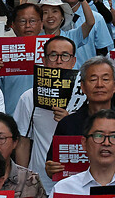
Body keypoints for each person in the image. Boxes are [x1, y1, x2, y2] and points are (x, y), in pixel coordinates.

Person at [11, 35, 80, 186]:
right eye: (53, 55)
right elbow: (23, 141)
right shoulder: (29, 97)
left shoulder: (84, 96)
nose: (59, 61)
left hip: (76, 180)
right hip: (40, 182)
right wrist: (24, 181)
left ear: (74, 61)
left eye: (65, 56)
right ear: (44, 60)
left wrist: (69, 121)